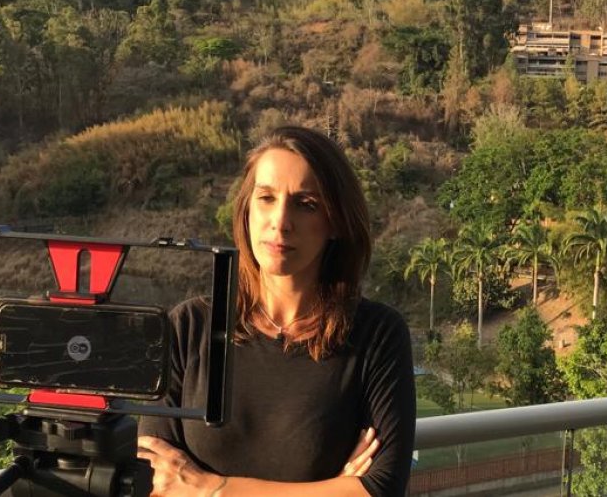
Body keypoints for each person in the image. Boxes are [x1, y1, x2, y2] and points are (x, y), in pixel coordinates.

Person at [138, 126, 416, 496]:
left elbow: (380, 487)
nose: (281, 222)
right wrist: (334, 488)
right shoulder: (188, 327)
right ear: (247, 209)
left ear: (334, 221)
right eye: (266, 198)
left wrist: (215, 489)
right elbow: (157, 481)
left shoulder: (376, 335)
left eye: (306, 204)